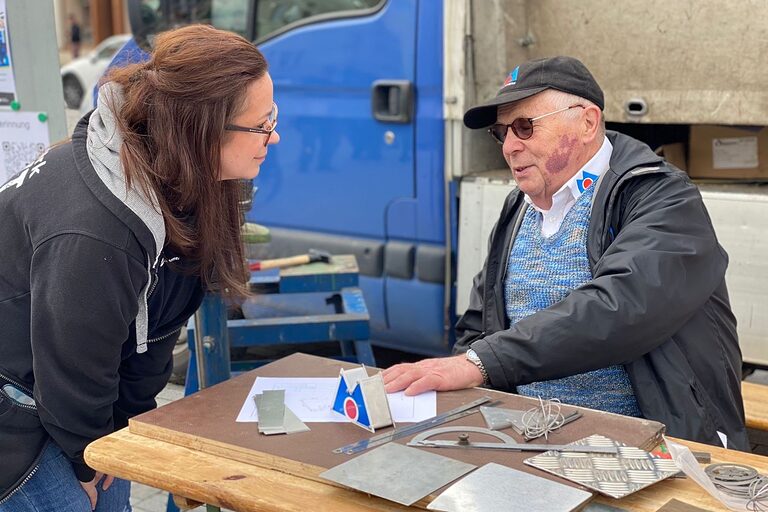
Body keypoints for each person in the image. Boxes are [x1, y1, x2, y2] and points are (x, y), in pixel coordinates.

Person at [383, 56, 748, 450]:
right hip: (527, 438)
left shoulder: (663, 196)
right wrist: (455, 392)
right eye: (500, 132)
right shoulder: (519, 207)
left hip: (646, 446)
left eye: (524, 126)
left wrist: (479, 364)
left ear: (588, 122)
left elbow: (619, 308)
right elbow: (480, 324)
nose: (509, 146)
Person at [0, 24, 279, 511]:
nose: (273, 136)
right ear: (201, 131)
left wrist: (127, 431)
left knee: (113, 488)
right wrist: (87, 458)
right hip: (18, 386)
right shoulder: (95, 227)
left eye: (272, 116)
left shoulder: (188, 182)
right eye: (260, 125)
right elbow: (73, 364)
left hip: (64, 381)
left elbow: (161, 322)